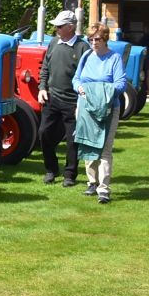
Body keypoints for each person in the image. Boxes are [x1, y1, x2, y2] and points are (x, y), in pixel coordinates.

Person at [72, 22, 126, 204]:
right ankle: (92, 182)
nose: (93, 42)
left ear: (105, 39)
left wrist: (99, 92)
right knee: (88, 144)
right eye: (90, 39)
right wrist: (80, 88)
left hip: (108, 108)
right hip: (86, 107)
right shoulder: (87, 56)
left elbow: (120, 85)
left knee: (104, 149)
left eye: (97, 39)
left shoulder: (114, 58)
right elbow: (76, 79)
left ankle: (104, 189)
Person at [38, 10, 91, 187]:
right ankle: (51, 169)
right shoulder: (53, 43)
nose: (56, 29)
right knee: (44, 133)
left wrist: (81, 100)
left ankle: (70, 174)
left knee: (72, 139)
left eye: (60, 26)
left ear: (71, 27)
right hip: (51, 99)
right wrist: (42, 88)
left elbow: (87, 76)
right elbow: (45, 67)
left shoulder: (83, 48)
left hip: (73, 102)